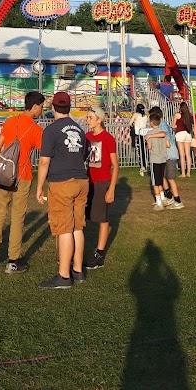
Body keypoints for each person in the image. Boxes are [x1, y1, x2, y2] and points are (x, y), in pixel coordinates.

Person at [0, 90, 45, 273]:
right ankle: (13, 260)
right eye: (42, 107)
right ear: (34, 107)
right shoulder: (36, 130)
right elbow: (45, 157)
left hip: (3, 175)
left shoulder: (10, 122)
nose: (42, 110)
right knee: (18, 218)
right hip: (22, 177)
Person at [37, 92, 88, 289]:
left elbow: (44, 161)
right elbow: (82, 155)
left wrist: (40, 187)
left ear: (52, 108)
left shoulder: (50, 131)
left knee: (64, 228)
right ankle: (78, 270)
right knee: (77, 226)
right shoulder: (79, 129)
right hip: (82, 180)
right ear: (69, 107)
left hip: (61, 182)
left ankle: (64, 276)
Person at [84, 106, 119, 269]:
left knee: (102, 219)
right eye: (87, 117)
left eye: (91, 117)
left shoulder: (108, 138)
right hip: (88, 181)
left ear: (99, 119)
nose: (87, 120)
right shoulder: (87, 136)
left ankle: (99, 253)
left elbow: (115, 165)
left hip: (102, 182)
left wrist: (111, 188)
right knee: (85, 216)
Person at [146, 106, 184, 209]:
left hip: (170, 155)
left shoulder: (162, 125)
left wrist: (150, 136)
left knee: (170, 178)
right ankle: (167, 197)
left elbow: (163, 135)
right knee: (162, 177)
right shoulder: (161, 125)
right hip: (163, 155)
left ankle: (178, 201)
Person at [143, 111, 169, 210]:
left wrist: (147, 144)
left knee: (155, 182)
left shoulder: (149, 133)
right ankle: (163, 199)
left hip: (155, 159)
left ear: (151, 122)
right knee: (161, 179)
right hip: (163, 158)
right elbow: (167, 144)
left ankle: (159, 202)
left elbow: (149, 147)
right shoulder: (163, 132)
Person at [172, 100, 193, 177]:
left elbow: (173, 125)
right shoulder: (189, 115)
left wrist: (174, 128)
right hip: (187, 134)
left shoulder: (177, 115)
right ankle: (189, 173)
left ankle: (183, 173)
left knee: (182, 154)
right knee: (188, 154)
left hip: (180, 134)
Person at [129, 103, 148, 176]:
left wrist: (133, 126)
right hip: (144, 134)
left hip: (138, 134)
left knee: (139, 151)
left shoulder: (136, 115)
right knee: (143, 151)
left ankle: (142, 167)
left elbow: (130, 123)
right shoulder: (145, 116)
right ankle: (145, 165)